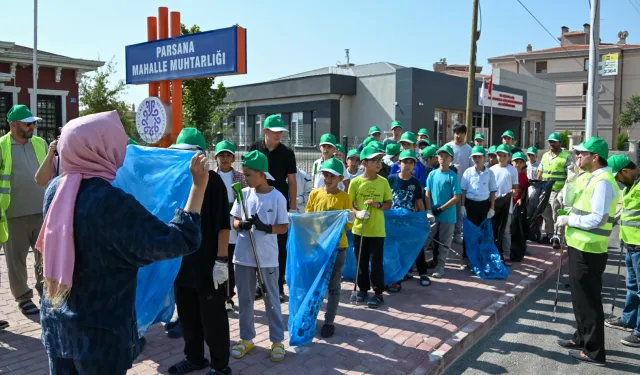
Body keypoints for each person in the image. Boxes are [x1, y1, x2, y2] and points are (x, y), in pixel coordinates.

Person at [39, 111, 206, 374]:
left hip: (57, 323)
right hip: (99, 334)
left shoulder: (55, 189)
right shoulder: (109, 202)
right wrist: (198, 187)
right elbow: (176, 240)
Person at [166, 129, 232, 375]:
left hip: (209, 263)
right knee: (188, 314)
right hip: (183, 262)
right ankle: (194, 357)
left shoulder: (213, 183)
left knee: (213, 317)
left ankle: (220, 365)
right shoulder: (179, 180)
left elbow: (222, 226)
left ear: (201, 156)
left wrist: (222, 260)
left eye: (189, 154)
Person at [555, 137, 619, 366]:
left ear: (595, 157)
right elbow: (571, 199)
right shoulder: (588, 177)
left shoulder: (602, 180)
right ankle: (581, 338)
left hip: (590, 249)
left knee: (589, 302)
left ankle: (594, 351)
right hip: (579, 245)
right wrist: (571, 180)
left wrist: (568, 219)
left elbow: (597, 218)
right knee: (579, 299)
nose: (578, 156)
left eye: (582, 153)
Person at [230, 150, 288, 363]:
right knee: (245, 299)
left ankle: (277, 341)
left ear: (262, 173)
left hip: (267, 258)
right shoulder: (243, 194)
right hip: (244, 256)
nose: (245, 178)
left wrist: (266, 227)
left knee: (271, 299)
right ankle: (246, 338)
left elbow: (283, 227)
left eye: (249, 174)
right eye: (244, 174)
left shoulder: (277, 197)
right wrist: (240, 225)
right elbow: (234, 220)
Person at [1, 104, 47, 316]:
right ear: (13, 124)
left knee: (45, 256)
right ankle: (22, 297)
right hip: (12, 213)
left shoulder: (40, 143)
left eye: (33, 123)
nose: (32, 127)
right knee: (16, 260)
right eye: (27, 124)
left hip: (41, 211)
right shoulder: (2, 146)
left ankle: (46, 290)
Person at [305, 158, 354, 338]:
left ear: (341, 178)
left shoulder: (345, 198)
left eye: (332, 176)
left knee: (333, 287)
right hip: (317, 247)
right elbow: (308, 219)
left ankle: (329, 321)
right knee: (315, 285)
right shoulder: (314, 194)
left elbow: (348, 226)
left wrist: (351, 217)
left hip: (338, 248)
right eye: (325, 175)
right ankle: (311, 317)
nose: (328, 178)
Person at [249, 114, 297, 301]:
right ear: (265, 131)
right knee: (258, 243)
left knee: (279, 246)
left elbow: (292, 182)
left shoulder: (287, 153)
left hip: (279, 203)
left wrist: (292, 207)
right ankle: (260, 286)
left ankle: (278, 286)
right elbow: (249, 174)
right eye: (275, 132)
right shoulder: (255, 148)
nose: (278, 135)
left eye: (281, 132)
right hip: (258, 201)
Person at [349, 145, 392, 308]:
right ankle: (363, 289)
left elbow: (389, 203)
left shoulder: (383, 182)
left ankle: (378, 293)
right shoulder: (355, 182)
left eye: (380, 160)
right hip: (360, 229)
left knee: (376, 263)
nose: (379, 163)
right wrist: (358, 213)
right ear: (364, 163)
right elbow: (349, 204)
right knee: (361, 261)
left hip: (377, 230)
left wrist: (378, 204)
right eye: (375, 160)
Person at [604, 154, 640, 348]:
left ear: (625, 171)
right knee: (632, 286)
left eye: (617, 177)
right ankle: (629, 320)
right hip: (631, 245)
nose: (617, 181)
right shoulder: (631, 186)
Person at [214, 140, 248, 312]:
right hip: (216, 222)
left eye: (228, 155)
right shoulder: (211, 175)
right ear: (216, 158)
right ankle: (218, 295)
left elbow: (245, 199)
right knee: (218, 259)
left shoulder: (240, 177)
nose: (225, 159)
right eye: (221, 155)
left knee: (230, 260)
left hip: (233, 221)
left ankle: (228, 296)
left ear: (233, 158)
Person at [387, 150, 427, 291]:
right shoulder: (391, 179)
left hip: (408, 221)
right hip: (392, 223)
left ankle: (422, 273)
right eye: (405, 162)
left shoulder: (415, 183)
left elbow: (419, 201)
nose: (408, 165)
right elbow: (385, 200)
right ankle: (395, 279)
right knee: (393, 249)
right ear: (399, 163)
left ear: (415, 165)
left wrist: (424, 217)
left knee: (413, 246)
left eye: (411, 163)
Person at [425, 145, 461, 278]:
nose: (443, 159)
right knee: (426, 240)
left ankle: (440, 266)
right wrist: (429, 210)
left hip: (447, 216)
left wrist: (441, 208)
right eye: (441, 156)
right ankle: (419, 264)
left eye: (446, 156)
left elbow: (456, 197)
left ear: (451, 159)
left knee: (444, 243)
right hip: (433, 216)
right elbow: (427, 192)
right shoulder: (432, 174)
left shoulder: (452, 176)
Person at [461, 145, 497, 268]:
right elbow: (464, 190)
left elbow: (492, 191)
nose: (477, 159)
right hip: (470, 205)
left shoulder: (490, 173)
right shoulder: (468, 172)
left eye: (479, 157)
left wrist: (492, 208)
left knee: (482, 233)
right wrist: (462, 205)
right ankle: (468, 259)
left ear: (484, 158)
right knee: (469, 233)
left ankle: (481, 258)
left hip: (483, 205)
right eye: (474, 157)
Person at [537, 132, 575, 244]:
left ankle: (557, 237)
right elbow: (540, 172)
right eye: (550, 141)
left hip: (557, 191)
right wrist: (538, 187)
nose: (552, 144)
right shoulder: (545, 156)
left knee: (556, 214)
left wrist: (564, 190)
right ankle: (549, 235)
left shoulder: (566, 157)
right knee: (545, 214)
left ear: (560, 143)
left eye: (554, 141)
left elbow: (570, 175)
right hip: (545, 190)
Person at [490, 144, 519, 266]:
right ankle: (493, 254)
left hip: (507, 206)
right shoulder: (492, 170)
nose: (501, 158)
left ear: (509, 156)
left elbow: (515, 188)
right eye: (499, 155)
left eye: (504, 155)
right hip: (494, 204)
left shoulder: (512, 170)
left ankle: (506, 255)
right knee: (492, 229)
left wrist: (513, 192)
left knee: (506, 230)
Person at [447, 124, 473, 245]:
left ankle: (457, 234)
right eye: (457, 133)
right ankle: (446, 234)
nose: (459, 135)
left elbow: (472, 169)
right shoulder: (448, 147)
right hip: (447, 186)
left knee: (459, 212)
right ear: (454, 133)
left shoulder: (469, 149)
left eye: (462, 133)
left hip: (461, 187)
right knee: (447, 210)